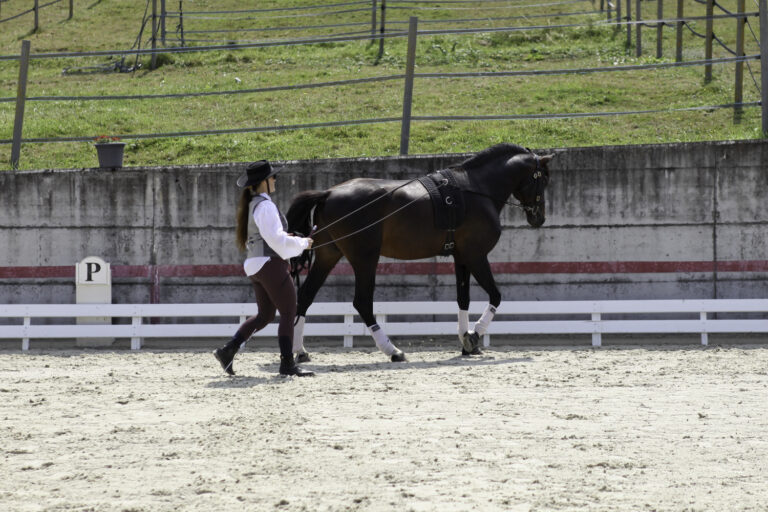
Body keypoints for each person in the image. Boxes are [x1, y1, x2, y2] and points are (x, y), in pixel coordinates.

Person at [213, 160, 315, 377]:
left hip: (256, 265)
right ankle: (287, 364)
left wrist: (293, 239)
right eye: (272, 177)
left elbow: (270, 237)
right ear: (263, 183)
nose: (275, 179)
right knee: (289, 311)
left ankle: (228, 350)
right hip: (270, 264)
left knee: (265, 315)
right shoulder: (266, 206)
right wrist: (303, 244)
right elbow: (276, 241)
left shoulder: (253, 205)